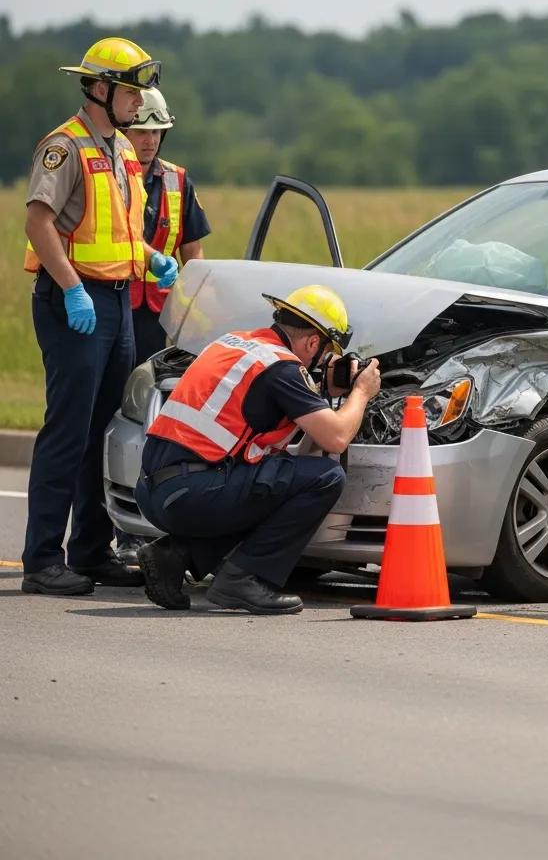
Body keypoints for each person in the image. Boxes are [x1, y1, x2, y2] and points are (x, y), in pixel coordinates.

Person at [22, 37, 179, 597]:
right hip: (75, 301)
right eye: (132, 93)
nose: (141, 104)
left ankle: (88, 551)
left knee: (101, 428)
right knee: (67, 428)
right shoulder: (64, 147)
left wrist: (151, 258)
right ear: (100, 88)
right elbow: (39, 224)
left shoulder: (117, 150)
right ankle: (42, 558)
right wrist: (71, 289)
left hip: (117, 299)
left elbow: (120, 229)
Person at [135, 284, 381, 615]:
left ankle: (175, 557)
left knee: (286, 481)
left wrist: (318, 396)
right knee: (328, 477)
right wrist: (361, 393)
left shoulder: (238, 342)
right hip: (189, 492)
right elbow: (336, 439)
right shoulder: (282, 368)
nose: (319, 363)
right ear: (312, 341)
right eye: (323, 353)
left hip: (158, 490)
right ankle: (243, 578)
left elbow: (300, 462)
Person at [124, 88, 211, 366]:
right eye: (141, 132)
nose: (150, 141)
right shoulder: (107, 176)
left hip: (162, 310)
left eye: (156, 132)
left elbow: (193, 253)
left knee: (152, 385)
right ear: (123, 133)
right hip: (117, 302)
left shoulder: (179, 180)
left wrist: (194, 304)